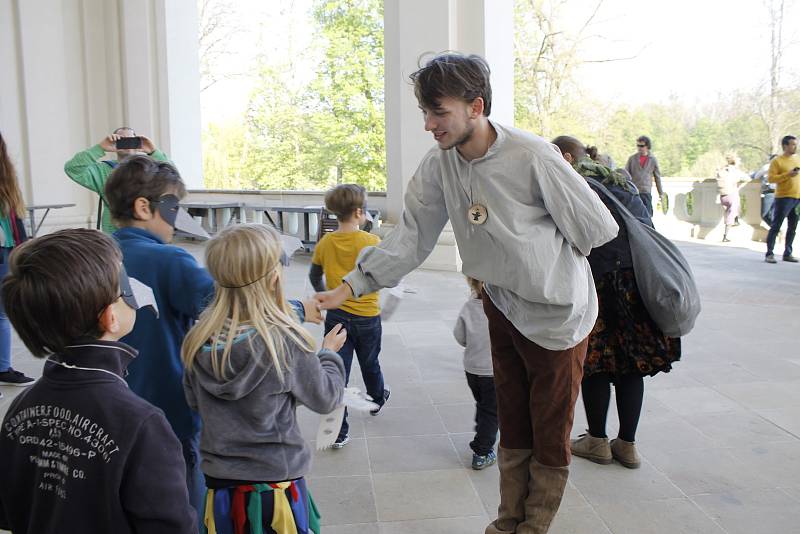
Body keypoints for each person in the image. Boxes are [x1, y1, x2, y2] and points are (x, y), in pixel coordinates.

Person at [314, 53, 619, 534]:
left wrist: (540, 260)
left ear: (475, 106)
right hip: (501, 305)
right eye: (426, 113)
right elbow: (411, 235)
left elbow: (597, 227)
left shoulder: (533, 154)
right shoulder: (440, 165)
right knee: (513, 423)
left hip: (559, 315)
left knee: (549, 431)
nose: (429, 124)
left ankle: (534, 526)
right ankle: (506, 522)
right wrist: (354, 284)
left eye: (439, 112)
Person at [0, 228, 196, 533]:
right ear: (109, 317)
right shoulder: (141, 422)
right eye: (126, 284)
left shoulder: (20, 409)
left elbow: (11, 510)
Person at [182, 223, 346, 532]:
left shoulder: (198, 339)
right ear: (274, 279)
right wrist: (328, 354)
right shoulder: (284, 343)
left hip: (221, 486)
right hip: (276, 490)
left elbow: (193, 401)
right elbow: (327, 398)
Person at [553, 136, 681, 470]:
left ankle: (596, 440)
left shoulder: (577, 187)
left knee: (595, 364)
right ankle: (627, 445)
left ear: (566, 158)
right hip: (635, 286)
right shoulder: (619, 183)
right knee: (629, 367)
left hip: (600, 285)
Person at [309, 184, 390, 449]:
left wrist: (327, 296)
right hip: (368, 316)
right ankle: (377, 398)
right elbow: (381, 278)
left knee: (337, 372)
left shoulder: (325, 242)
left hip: (337, 319)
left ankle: (339, 433)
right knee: (370, 363)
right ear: (358, 212)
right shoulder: (371, 242)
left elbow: (313, 275)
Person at [64, 127, 170, 234]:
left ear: (137, 142)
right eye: (121, 140)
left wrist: (154, 152)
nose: (126, 143)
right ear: (115, 143)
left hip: (145, 229)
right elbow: (72, 168)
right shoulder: (103, 170)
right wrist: (100, 148)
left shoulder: (148, 168)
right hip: (114, 232)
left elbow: (171, 177)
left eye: (130, 140)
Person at [0, 132, 35, 391]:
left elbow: (16, 217)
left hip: (6, 250)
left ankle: (3, 367)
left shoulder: (7, 178)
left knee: (2, 313)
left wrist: (22, 250)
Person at [453, 277, 497, 470]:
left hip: (472, 369)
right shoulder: (502, 310)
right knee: (492, 411)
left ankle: (481, 429)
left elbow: (460, 336)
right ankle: (482, 452)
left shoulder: (469, 307)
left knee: (484, 404)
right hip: (493, 371)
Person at [765, 135, 800, 264]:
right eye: (792, 144)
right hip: (783, 197)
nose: (795, 147)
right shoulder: (777, 161)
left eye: (795, 144)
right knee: (776, 225)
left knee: (793, 227)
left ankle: (788, 253)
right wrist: (788, 174)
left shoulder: (797, 159)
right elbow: (771, 179)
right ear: (785, 146)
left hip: (797, 197)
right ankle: (769, 253)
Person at [625, 135, 664, 217]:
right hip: (634, 192)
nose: (639, 148)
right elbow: (625, 174)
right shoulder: (632, 159)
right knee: (635, 215)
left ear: (647, 146)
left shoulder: (653, 160)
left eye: (641, 146)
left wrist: (660, 193)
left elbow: (657, 177)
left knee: (648, 215)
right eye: (638, 145)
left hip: (646, 192)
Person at [715, 153, 749, 242]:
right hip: (731, 196)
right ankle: (725, 235)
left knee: (729, 212)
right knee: (731, 213)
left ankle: (736, 219)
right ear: (735, 162)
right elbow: (747, 178)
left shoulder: (723, 170)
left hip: (723, 196)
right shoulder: (736, 171)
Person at [754, 155, 777, 226]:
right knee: (765, 214)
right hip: (769, 192)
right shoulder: (766, 167)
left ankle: (776, 231)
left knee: (773, 215)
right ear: (770, 160)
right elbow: (756, 176)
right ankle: (776, 230)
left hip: (779, 193)